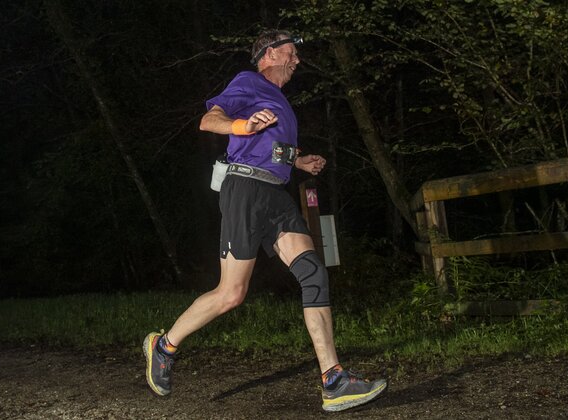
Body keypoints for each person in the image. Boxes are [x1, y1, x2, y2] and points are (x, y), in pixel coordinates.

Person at [143, 29, 387, 412]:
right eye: (291, 53)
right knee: (231, 294)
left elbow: (270, 148)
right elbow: (210, 120)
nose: (296, 60)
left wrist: (298, 161)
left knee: (313, 273)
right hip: (245, 191)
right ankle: (164, 345)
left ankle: (333, 380)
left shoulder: (280, 100)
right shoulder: (248, 82)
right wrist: (242, 126)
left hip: (275, 193)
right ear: (269, 54)